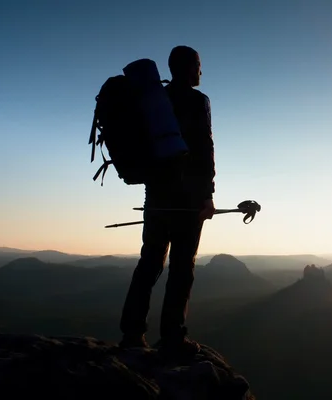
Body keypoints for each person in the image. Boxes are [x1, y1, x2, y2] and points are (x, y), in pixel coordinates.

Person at [119, 45, 216, 357]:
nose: (201, 71)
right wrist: (208, 196)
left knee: (149, 263)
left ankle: (132, 334)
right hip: (188, 198)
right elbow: (203, 149)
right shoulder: (198, 101)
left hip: (157, 195)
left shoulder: (153, 100)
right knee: (181, 268)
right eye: (198, 65)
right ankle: (173, 337)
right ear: (187, 68)